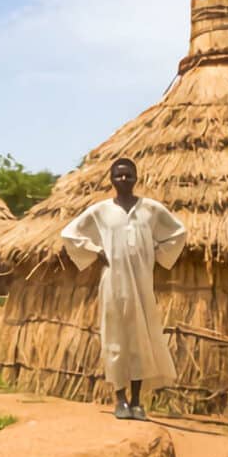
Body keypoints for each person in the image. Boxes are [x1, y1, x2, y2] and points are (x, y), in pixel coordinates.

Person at [60, 157, 187, 421]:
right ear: (111, 179)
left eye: (128, 175)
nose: (123, 180)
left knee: (140, 339)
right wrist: (95, 251)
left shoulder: (151, 210)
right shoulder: (101, 211)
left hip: (142, 283)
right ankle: (120, 400)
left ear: (136, 177)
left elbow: (178, 232)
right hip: (113, 283)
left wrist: (155, 252)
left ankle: (138, 401)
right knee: (115, 339)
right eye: (118, 176)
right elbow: (70, 233)